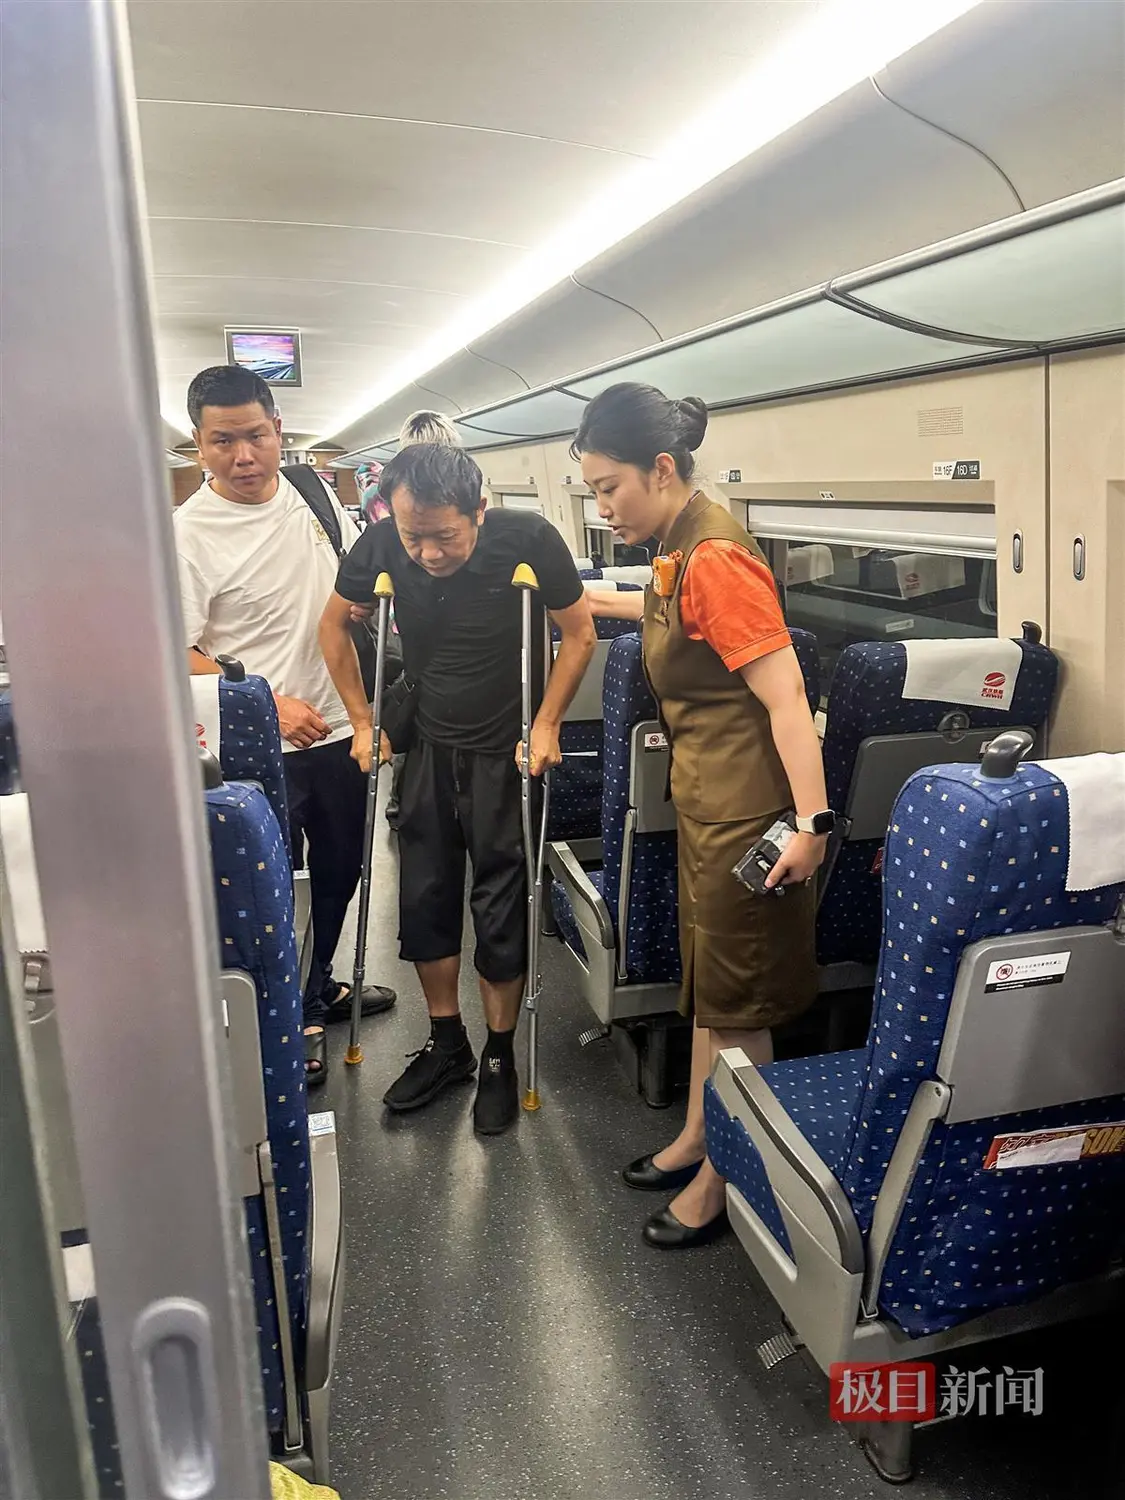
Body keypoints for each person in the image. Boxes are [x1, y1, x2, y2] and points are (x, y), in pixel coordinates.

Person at [574, 382, 834, 1249]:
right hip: (707, 805)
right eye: (592, 492)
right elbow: (666, 614)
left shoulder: (715, 556)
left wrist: (812, 824)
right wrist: (579, 602)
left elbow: (786, 694)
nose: (602, 506)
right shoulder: (678, 546)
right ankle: (696, 1133)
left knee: (738, 1008)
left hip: (746, 815)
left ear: (660, 468)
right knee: (710, 994)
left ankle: (727, 1176)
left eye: (609, 487)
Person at [319, 443, 596, 1135]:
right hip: (430, 747)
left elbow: (579, 633)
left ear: (479, 510)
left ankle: (499, 1054)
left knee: (500, 903)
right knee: (424, 896)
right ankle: (448, 1044)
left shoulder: (529, 540)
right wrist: (363, 721)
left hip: (507, 752)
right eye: (414, 536)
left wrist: (547, 722)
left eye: (444, 536)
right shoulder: (382, 544)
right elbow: (333, 624)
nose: (428, 553)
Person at [174, 365, 397, 1088]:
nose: (243, 456)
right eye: (223, 442)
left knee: (342, 867)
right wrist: (265, 702)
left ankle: (316, 982)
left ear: (278, 430)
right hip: (255, 744)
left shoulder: (315, 493)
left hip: (340, 728)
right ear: (198, 445)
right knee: (271, 886)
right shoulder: (186, 535)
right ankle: (284, 1015)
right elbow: (172, 648)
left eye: (256, 436)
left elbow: (348, 585)